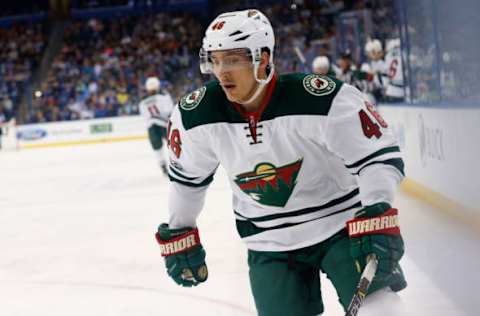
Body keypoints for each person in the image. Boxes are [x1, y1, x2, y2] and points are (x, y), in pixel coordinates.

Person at [155, 9, 407, 316]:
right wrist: (180, 228)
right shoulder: (196, 115)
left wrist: (377, 209)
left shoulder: (319, 98)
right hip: (269, 242)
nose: (221, 71)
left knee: (383, 312)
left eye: (233, 59)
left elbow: (378, 155)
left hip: (342, 225)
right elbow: (187, 181)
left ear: (262, 58)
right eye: (215, 60)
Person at [138, 76, 175, 174]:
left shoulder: (142, 102)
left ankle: (162, 165)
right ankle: (177, 164)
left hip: (151, 127)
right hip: (165, 125)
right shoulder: (164, 96)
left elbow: (145, 117)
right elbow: (170, 111)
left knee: (157, 148)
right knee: (174, 145)